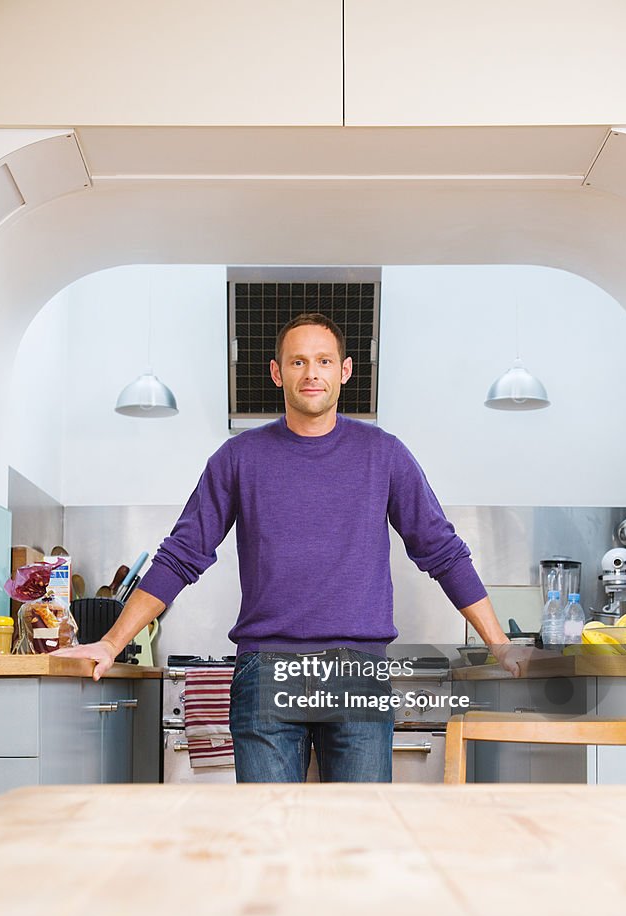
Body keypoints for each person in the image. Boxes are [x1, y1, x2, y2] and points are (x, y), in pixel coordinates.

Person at [54, 312, 522, 782]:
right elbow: (182, 555)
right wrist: (112, 642)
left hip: (357, 673)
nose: (312, 373)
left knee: (358, 835)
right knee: (268, 839)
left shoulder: (384, 454)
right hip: (266, 671)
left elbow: (441, 551)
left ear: (345, 371)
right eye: (298, 362)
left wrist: (500, 646)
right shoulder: (238, 458)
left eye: (324, 361)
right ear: (278, 373)